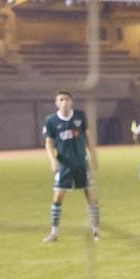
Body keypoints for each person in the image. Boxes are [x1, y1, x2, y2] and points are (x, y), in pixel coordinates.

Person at [42, 91, 100, 242]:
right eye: (61, 100)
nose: (64, 102)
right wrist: (52, 160)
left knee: (90, 196)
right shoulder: (51, 120)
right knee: (58, 198)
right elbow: (49, 142)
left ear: (71, 102)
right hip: (64, 165)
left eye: (67, 99)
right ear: (56, 103)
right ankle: (54, 232)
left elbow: (87, 136)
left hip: (81, 162)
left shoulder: (80, 116)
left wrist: (93, 156)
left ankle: (96, 230)